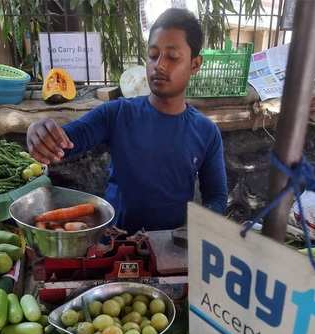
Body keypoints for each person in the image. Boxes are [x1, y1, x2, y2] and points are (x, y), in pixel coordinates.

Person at [26, 8, 227, 233]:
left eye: (172, 57)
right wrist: (39, 131)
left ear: (195, 64)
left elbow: (216, 196)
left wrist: (201, 227)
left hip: (170, 247)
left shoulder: (206, 131)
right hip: (115, 244)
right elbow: (67, 140)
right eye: (153, 55)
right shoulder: (117, 114)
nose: (159, 65)